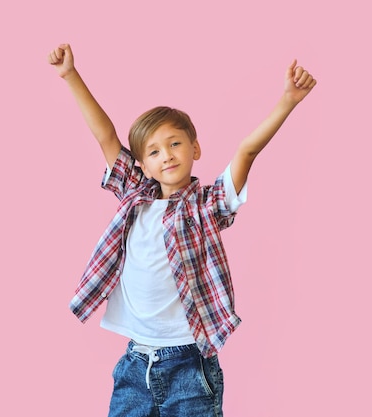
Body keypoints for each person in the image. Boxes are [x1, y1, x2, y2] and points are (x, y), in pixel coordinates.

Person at [48, 43, 317, 417]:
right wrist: (70, 75)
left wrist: (288, 101)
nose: (167, 155)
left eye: (175, 144)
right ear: (141, 164)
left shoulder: (206, 206)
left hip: (189, 363)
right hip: (135, 362)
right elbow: (107, 137)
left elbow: (246, 152)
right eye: (154, 151)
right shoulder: (134, 196)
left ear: (196, 148)